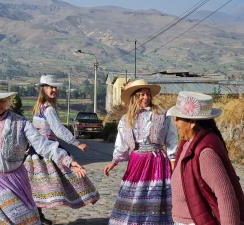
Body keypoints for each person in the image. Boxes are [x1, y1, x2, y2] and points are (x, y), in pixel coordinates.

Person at [0, 80, 86, 225]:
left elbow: (44, 146)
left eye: (2, 101)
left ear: (9, 101)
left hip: (16, 183)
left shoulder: (22, 124)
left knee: (24, 220)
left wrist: (67, 159)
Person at [24, 75, 99, 220]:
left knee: (37, 185)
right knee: (65, 177)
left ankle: (37, 215)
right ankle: (38, 215)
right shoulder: (48, 109)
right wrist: (76, 143)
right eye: (50, 87)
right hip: (46, 152)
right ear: (43, 89)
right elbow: (58, 130)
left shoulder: (38, 107)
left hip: (37, 151)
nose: (53, 90)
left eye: (55, 87)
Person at [104, 79, 177, 225]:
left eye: (148, 94)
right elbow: (122, 144)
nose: (146, 97)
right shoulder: (126, 119)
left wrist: (173, 161)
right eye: (142, 95)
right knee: (134, 196)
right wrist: (114, 162)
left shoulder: (162, 115)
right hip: (137, 161)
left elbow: (171, 139)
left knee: (154, 195)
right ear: (134, 97)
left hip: (157, 162)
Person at [167, 91, 244, 225]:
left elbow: (226, 197)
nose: (175, 122)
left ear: (191, 122)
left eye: (178, 118)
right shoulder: (187, 144)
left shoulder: (205, 153)